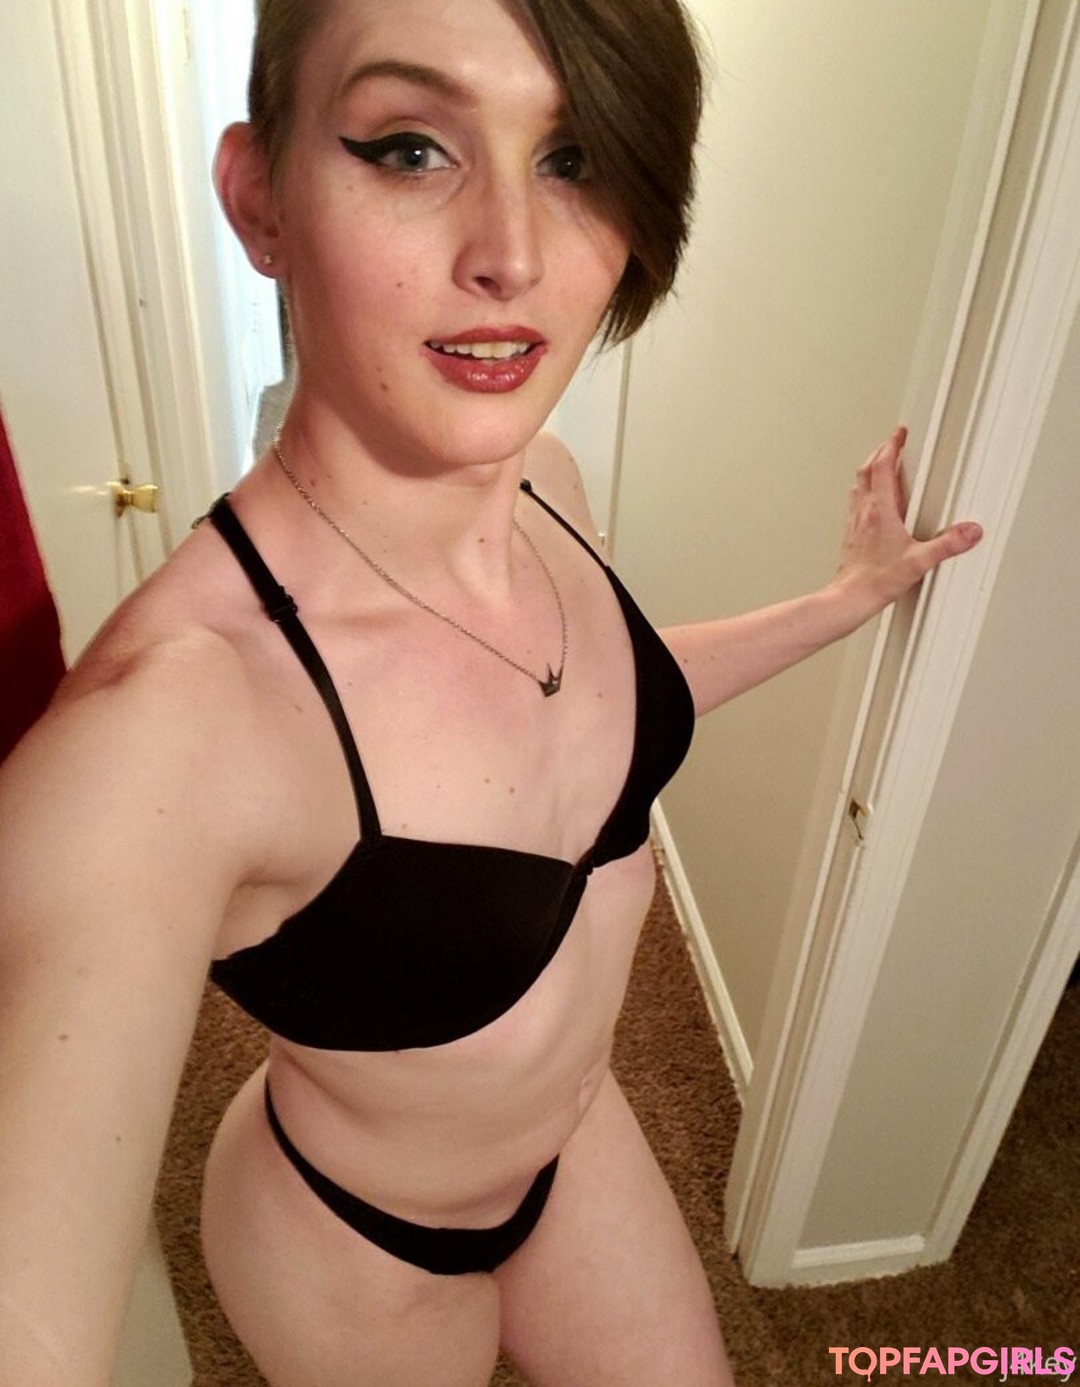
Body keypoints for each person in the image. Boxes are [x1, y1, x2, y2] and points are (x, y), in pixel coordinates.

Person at [0, 1, 984, 1384]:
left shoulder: (547, 485)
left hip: (576, 1139)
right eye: (412, 148)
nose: (513, 257)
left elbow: (591, 708)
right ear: (260, 196)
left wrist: (844, 601)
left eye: (572, 159)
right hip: (361, 1247)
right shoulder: (169, 725)